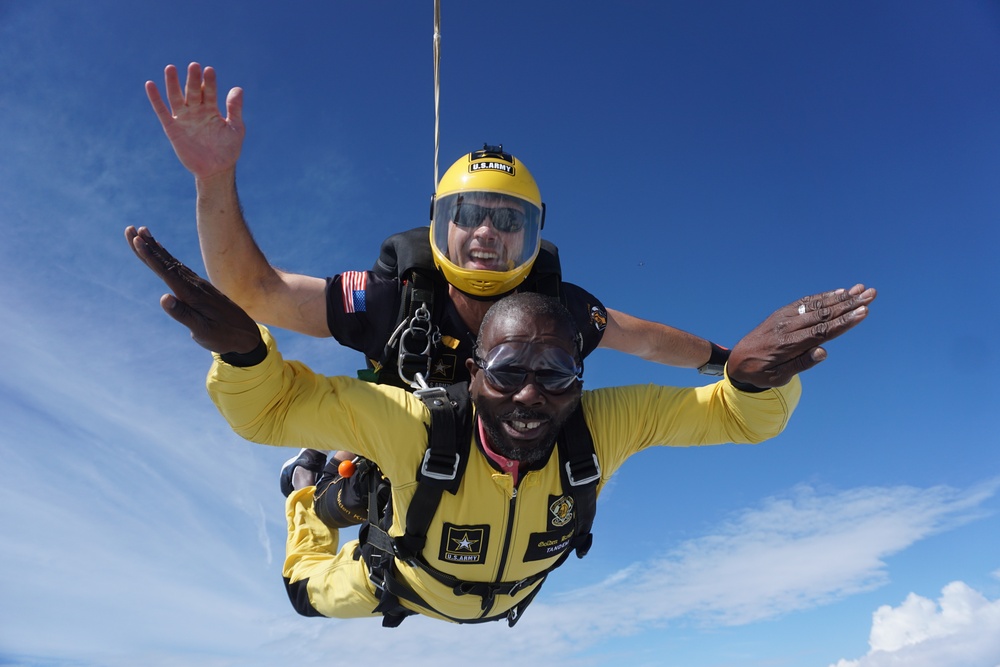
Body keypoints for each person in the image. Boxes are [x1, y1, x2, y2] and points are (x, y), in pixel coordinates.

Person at [126, 226, 877, 625]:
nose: (529, 395)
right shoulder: (418, 422)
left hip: (506, 596)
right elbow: (276, 406)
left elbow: (733, 420)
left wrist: (748, 377)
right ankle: (313, 489)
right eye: (508, 369)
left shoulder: (598, 428)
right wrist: (247, 353)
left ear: (579, 379)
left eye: (555, 373)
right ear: (473, 372)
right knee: (303, 589)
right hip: (399, 582)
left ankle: (345, 485)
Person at [144, 63, 734, 512]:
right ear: (439, 223)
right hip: (394, 436)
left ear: (532, 234)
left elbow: (648, 341)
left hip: (487, 450)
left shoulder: (558, 312)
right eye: (469, 214)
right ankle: (312, 471)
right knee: (353, 499)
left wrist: (726, 364)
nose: (485, 232)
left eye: (508, 220)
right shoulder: (393, 298)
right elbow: (256, 292)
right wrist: (214, 179)